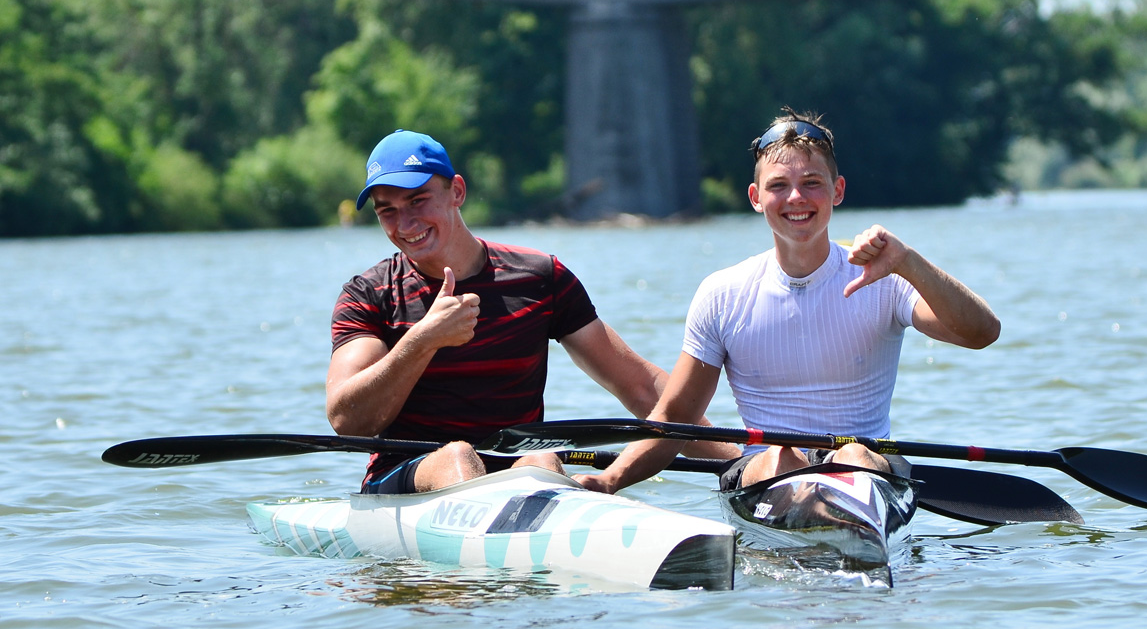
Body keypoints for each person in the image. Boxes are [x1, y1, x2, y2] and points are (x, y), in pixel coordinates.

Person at [575, 110, 1000, 495]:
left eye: (811, 183)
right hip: (765, 470)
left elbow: (982, 334)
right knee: (780, 457)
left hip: (866, 464)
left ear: (837, 191)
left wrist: (910, 263)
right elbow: (676, 415)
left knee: (852, 456)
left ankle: (844, 528)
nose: (796, 198)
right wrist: (612, 479)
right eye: (779, 186)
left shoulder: (884, 276)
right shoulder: (722, 294)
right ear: (756, 198)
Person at [326, 129, 735, 493]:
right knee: (457, 456)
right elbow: (347, 420)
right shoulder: (368, 295)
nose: (405, 223)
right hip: (403, 477)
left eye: (417, 200)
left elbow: (642, 388)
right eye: (387, 210)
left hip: (515, 466)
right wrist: (423, 339)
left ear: (457, 192)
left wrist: (738, 463)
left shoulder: (540, 278)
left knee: (542, 460)